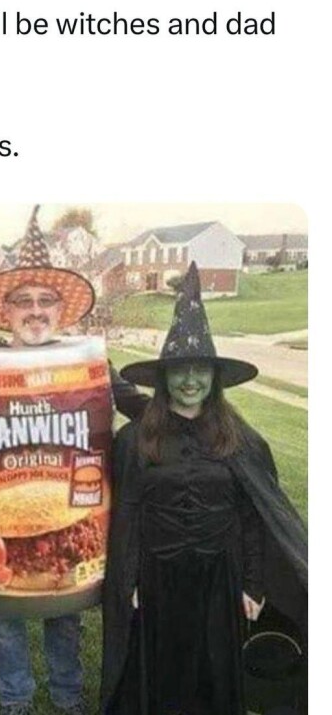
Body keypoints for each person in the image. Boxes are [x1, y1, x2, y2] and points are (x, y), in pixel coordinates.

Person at [99, 262, 307, 715]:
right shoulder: (135, 440)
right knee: (162, 674)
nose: (190, 380)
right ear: (163, 377)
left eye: (200, 370)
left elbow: (253, 515)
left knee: (213, 676)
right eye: (179, 370)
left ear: (214, 377)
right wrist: (128, 580)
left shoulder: (240, 439)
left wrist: (252, 584)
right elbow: (127, 512)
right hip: (157, 577)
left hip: (220, 579)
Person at [0, 206, 149, 715]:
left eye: (45, 300)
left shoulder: (88, 361)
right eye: (23, 300)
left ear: (61, 309)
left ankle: (68, 696)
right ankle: (16, 699)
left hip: (71, 516)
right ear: (6, 310)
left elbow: (134, 403)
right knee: (5, 616)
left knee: (64, 613)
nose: (35, 310)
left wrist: (187, 422)